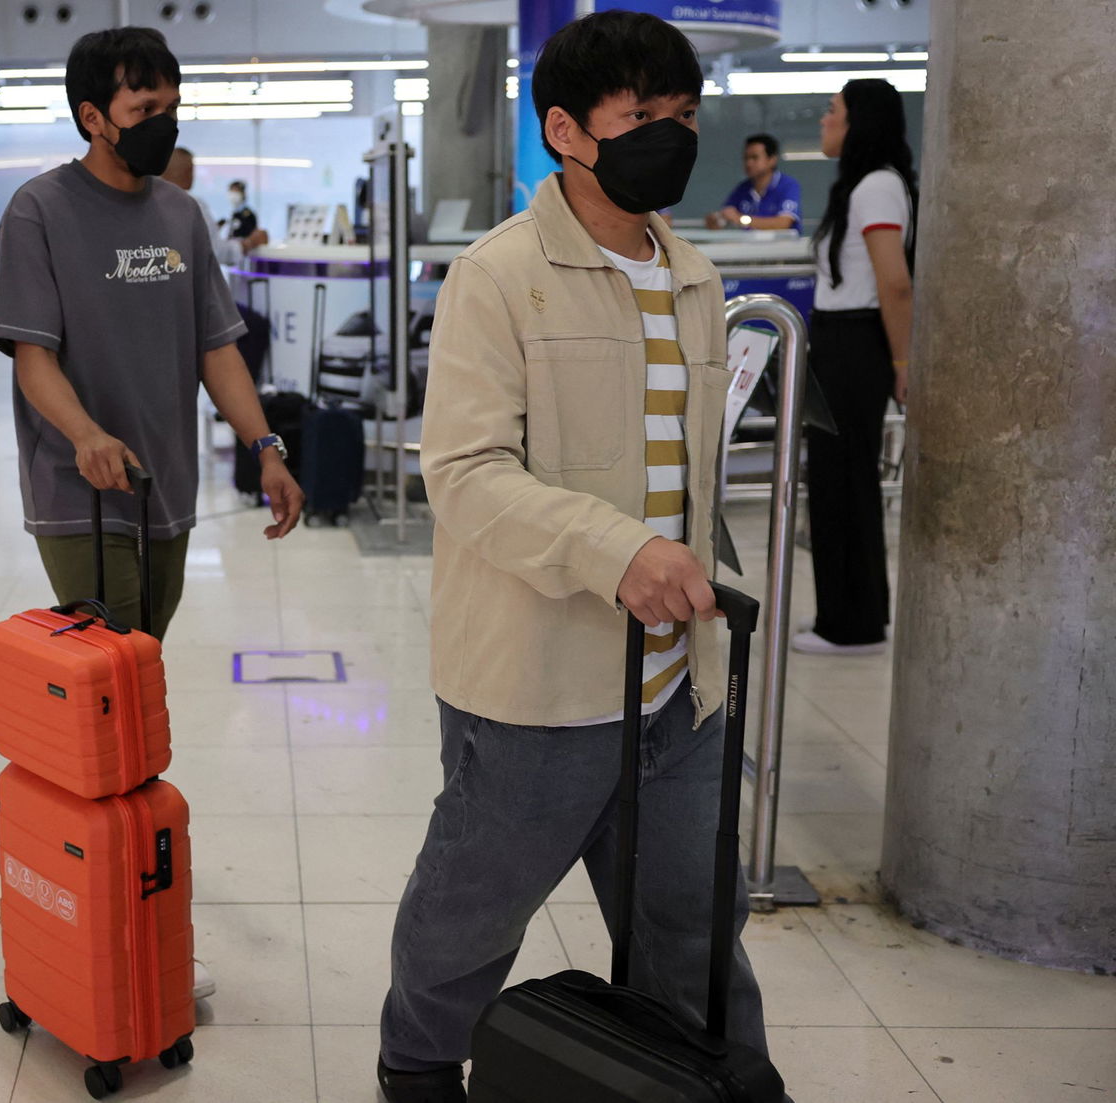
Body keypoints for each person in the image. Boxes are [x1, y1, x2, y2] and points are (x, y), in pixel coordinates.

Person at [375, 13, 782, 1103]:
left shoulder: (693, 276)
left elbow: (689, 476)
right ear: (565, 129)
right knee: (470, 909)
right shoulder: (501, 276)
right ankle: (414, 1065)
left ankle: (726, 1082)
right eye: (640, 116)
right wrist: (616, 550)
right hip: (534, 684)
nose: (669, 136)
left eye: (683, 115)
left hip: (675, 687)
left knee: (694, 932)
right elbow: (461, 469)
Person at [0, 27, 302, 644]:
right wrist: (86, 436)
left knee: (145, 654)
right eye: (144, 110)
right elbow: (33, 359)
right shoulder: (39, 211)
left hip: (166, 482)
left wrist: (266, 449)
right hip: (81, 483)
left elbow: (216, 349)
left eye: (172, 108)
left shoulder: (181, 215)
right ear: (93, 117)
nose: (165, 124)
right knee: (110, 663)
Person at [792, 79, 916, 657]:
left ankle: (853, 625)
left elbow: (894, 282)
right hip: (843, 342)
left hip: (858, 343)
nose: (824, 120)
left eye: (833, 111)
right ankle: (851, 617)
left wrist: (902, 360)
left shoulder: (877, 188)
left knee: (846, 481)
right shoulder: (866, 187)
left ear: (859, 120)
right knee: (838, 480)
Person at [161, 146, 269, 265]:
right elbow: (217, 252)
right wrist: (251, 242)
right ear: (189, 171)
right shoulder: (192, 205)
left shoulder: (151, 203)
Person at [704, 133, 802, 232]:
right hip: (750, 246)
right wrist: (717, 220)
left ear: (772, 160)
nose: (749, 163)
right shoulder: (743, 188)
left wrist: (742, 219)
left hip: (782, 246)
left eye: (755, 158)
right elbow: (727, 214)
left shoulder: (788, 185)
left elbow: (783, 223)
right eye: (746, 158)